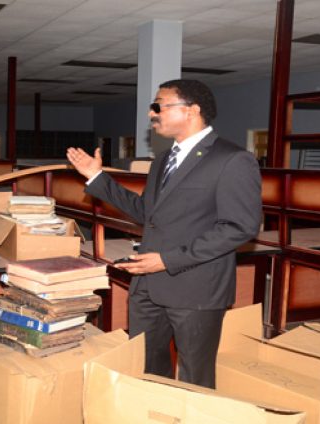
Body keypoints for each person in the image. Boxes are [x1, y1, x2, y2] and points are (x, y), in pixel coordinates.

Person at [66, 79, 262, 388]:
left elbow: (240, 227)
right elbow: (147, 213)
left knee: (193, 377)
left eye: (160, 105)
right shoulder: (162, 161)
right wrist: (97, 177)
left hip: (195, 289)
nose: (152, 113)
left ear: (191, 110)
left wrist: (168, 260)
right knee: (147, 369)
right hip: (148, 287)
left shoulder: (232, 159)